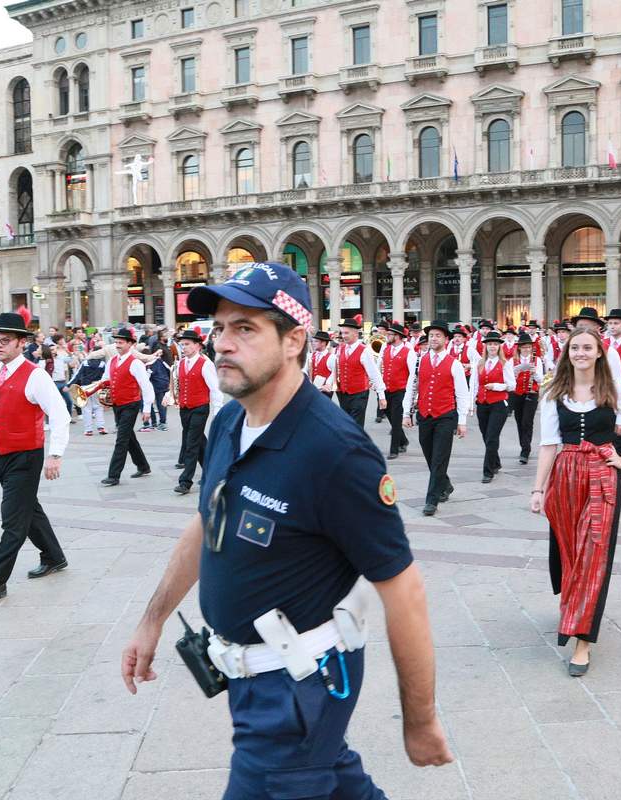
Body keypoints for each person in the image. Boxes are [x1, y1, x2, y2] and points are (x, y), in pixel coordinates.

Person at [120, 263, 453, 799]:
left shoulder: (337, 453)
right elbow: (208, 519)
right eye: (219, 328)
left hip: (297, 693)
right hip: (254, 683)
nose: (222, 344)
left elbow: (404, 590)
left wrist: (419, 719)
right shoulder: (231, 419)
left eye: (245, 329)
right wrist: (151, 620)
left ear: (294, 339)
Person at [529, 327, 621, 676]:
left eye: (587, 347)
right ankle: (572, 607)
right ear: (567, 352)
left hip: (601, 478)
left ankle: (582, 642)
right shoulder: (554, 392)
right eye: (575, 348)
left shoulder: (614, 389)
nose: (581, 353)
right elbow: (548, 445)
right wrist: (538, 490)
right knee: (569, 552)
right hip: (566, 477)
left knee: (593, 553)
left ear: (599, 352)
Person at [0, 311, 70, 600]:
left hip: (27, 457)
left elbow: (60, 415)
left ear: (21, 343)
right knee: (28, 509)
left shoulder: (36, 376)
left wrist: (55, 454)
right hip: (1, 456)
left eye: (6, 340)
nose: (0, 345)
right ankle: (54, 556)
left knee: (13, 520)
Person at [402, 321, 470, 516]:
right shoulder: (418, 360)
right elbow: (411, 387)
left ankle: (431, 500)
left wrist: (462, 421)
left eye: (438, 335)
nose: (433, 338)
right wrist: (406, 413)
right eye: (431, 335)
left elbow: (462, 394)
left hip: (445, 416)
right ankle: (446, 484)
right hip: (425, 414)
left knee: (440, 457)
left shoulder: (454, 364)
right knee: (430, 455)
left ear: (446, 339)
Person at [92, 327, 156, 487]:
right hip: (117, 404)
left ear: (130, 344)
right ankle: (143, 466)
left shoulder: (135, 363)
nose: (117, 345)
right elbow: (106, 380)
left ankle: (113, 475)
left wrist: (147, 408)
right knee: (128, 437)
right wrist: (95, 390)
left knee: (121, 439)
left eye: (121, 342)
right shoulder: (112, 361)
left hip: (131, 404)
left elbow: (146, 386)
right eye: (116, 342)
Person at [166, 328, 220, 494]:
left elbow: (215, 389)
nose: (184, 347)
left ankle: (185, 481)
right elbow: (177, 384)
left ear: (197, 346)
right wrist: (169, 395)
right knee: (199, 441)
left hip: (200, 408)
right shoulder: (181, 363)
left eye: (187, 344)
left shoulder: (206, 364)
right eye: (182, 344)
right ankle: (213, 473)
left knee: (191, 443)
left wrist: (217, 411)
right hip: (185, 408)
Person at [469, 331, 515, 484]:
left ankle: (488, 471)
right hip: (482, 404)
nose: (492, 347)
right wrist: (471, 404)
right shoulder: (479, 363)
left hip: (498, 404)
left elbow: (511, 386)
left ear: (499, 346)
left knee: (492, 437)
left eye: (495, 344)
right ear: (486, 346)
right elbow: (474, 385)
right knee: (486, 436)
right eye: (489, 344)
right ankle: (496, 462)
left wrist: (497, 386)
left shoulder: (505, 363)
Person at [334, 318, 386, 427]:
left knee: (356, 425)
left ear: (355, 333)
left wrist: (381, 395)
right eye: (342, 333)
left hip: (359, 394)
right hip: (343, 393)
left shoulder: (364, 350)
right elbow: (335, 369)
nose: (343, 336)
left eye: (346, 333)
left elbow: (374, 374)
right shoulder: (340, 349)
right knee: (346, 425)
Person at [379, 322, 414, 460]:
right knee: (390, 416)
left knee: (396, 418)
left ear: (398, 336)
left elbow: (412, 374)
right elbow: (380, 365)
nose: (387, 336)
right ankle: (403, 440)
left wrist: (411, 394)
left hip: (401, 390)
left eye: (390, 334)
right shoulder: (385, 349)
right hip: (386, 388)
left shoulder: (408, 352)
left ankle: (394, 449)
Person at [510, 332, 543, 465]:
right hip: (517, 393)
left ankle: (525, 450)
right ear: (519, 348)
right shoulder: (513, 361)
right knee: (519, 421)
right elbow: (508, 378)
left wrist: (534, 373)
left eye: (529, 347)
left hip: (532, 393)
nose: (527, 349)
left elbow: (541, 379)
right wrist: (516, 371)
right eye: (524, 347)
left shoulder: (537, 360)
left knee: (527, 421)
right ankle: (523, 446)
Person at [67, 350, 108, 436]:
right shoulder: (102, 364)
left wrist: (68, 385)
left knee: (86, 409)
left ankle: (88, 430)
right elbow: (106, 377)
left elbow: (77, 375)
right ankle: (101, 427)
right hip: (97, 387)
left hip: (85, 388)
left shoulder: (85, 363)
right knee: (98, 407)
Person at [309, 330, 337, 398]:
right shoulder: (310, 355)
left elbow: (334, 372)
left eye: (316, 341)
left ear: (323, 343)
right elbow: (306, 371)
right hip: (312, 389)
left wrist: (328, 383)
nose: (313, 343)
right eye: (312, 341)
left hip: (325, 391)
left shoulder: (331, 357)